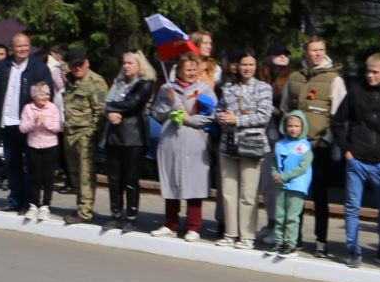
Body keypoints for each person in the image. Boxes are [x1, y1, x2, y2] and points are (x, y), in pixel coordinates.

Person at [332, 52, 380, 269]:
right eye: (368, 71)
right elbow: (338, 122)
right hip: (356, 160)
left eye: (375, 72)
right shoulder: (356, 93)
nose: (370, 75)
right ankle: (353, 249)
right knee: (352, 207)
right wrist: (347, 150)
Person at [284, 37, 347, 253]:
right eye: (314, 50)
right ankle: (294, 238)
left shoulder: (334, 79)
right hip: (296, 146)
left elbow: (339, 115)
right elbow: (286, 109)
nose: (318, 54)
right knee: (295, 195)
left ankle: (321, 241)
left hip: (319, 146)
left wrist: (326, 140)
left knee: (320, 196)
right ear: (305, 53)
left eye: (322, 50)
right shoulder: (294, 77)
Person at [149, 51, 214, 239]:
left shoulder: (204, 89)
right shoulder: (166, 89)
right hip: (171, 141)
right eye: (188, 69)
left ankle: (193, 227)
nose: (192, 72)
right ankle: (171, 224)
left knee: (194, 184)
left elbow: (210, 116)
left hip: (194, 142)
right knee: (171, 182)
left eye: (195, 69)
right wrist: (169, 103)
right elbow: (156, 114)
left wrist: (190, 120)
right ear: (179, 71)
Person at [0, 31, 56, 213]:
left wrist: (38, 115)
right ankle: (14, 200)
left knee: (30, 165)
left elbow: (47, 93)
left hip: (29, 124)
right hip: (8, 122)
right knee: (11, 163)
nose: (23, 49)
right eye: (19, 46)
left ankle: (29, 202)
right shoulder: (4, 66)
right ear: (12, 48)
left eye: (26, 45)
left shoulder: (38, 67)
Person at [213, 50, 273, 247]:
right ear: (237, 66)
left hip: (252, 145)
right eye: (244, 64)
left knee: (248, 193)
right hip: (228, 144)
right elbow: (219, 111)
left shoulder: (264, 88)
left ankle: (247, 235)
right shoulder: (228, 87)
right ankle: (230, 233)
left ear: (256, 67)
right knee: (228, 191)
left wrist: (237, 119)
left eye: (251, 65)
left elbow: (263, 116)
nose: (247, 68)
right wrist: (221, 117)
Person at [102, 51, 155, 228]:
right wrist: (109, 113)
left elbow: (133, 104)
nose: (126, 66)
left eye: (130, 63)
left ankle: (131, 218)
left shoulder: (145, 84)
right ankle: (115, 215)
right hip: (114, 136)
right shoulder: (118, 83)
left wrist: (109, 107)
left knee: (131, 180)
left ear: (140, 65)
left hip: (134, 137)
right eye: (124, 63)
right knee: (114, 179)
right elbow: (107, 103)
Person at [60, 47, 108, 224]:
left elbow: (101, 112)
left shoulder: (96, 82)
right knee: (74, 175)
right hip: (70, 134)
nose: (77, 68)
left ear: (87, 63)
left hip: (85, 135)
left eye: (80, 64)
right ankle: (81, 206)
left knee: (86, 174)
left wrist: (92, 135)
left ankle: (85, 212)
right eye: (74, 65)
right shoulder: (70, 82)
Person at [270, 110, 314, 256]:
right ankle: (279, 241)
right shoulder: (280, 144)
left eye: (297, 126)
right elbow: (274, 162)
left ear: (303, 128)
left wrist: (284, 176)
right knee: (280, 214)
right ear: (285, 126)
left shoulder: (305, 146)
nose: (293, 129)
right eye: (290, 126)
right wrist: (275, 173)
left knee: (292, 217)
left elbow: (303, 167)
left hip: (296, 186)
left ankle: (291, 243)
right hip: (282, 185)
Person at [17, 80, 62, 222]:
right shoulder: (28, 108)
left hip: (50, 146)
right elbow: (22, 128)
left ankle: (45, 205)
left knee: (48, 177)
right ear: (34, 96)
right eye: (40, 95)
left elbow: (57, 127)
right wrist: (34, 122)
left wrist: (45, 122)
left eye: (46, 95)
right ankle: (33, 205)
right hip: (33, 146)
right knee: (34, 177)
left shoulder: (53, 108)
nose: (44, 98)